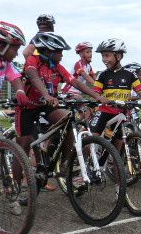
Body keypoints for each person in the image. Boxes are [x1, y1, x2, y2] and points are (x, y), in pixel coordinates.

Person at [16, 32, 107, 189]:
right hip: (27, 107)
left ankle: (66, 162)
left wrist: (97, 96)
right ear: (49, 52)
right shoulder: (33, 61)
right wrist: (46, 95)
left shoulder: (57, 67)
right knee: (22, 148)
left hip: (46, 105)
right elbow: (34, 77)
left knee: (67, 119)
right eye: (59, 52)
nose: (62, 55)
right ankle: (14, 187)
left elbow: (76, 83)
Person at [89, 39, 141, 137]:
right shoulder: (102, 75)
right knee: (93, 137)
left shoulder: (130, 74)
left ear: (118, 56)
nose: (104, 59)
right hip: (104, 111)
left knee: (120, 140)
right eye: (102, 56)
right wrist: (98, 99)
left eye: (107, 55)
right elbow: (96, 93)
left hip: (121, 112)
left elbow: (140, 90)